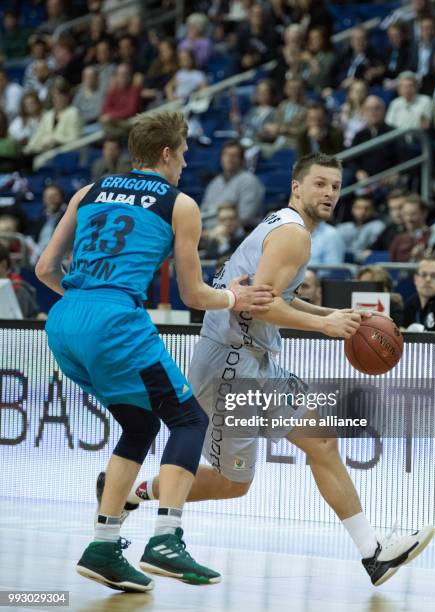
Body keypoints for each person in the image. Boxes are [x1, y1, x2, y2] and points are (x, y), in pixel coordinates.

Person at [107, 152, 435, 587]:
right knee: (232, 484)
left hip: (254, 361)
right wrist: (323, 324)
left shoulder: (283, 225)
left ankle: (373, 553)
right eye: (320, 184)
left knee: (322, 443)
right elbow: (264, 305)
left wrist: (328, 313)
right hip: (230, 363)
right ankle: (136, 493)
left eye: (335, 186)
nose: (329, 193)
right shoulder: (293, 236)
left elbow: (277, 294)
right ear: (296, 187)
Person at [35, 111, 273, 592]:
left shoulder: (88, 192)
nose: (186, 163)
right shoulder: (180, 204)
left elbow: (43, 268)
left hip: (64, 320)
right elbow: (193, 295)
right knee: (188, 420)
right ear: (166, 154)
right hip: (114, 320)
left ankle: (103, 546)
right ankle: (167, 538)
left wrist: (84, 303)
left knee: (140, 423)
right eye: (183, 153)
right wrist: (236, 297)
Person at [201, 139, 265, 230]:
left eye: (234, 155)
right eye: (225, 154)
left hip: (240, 234)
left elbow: (246, 216)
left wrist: (218, 229)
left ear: (242, 160)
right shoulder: (214, 183)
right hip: (211, 233)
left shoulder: (250, 181)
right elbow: (203, 213)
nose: (228, 158)